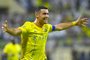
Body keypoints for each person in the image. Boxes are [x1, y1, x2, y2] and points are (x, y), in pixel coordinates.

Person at [2, 6, 88, 60]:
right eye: (44, 14)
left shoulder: (46, 27)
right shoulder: (28, 26)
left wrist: (74, 23)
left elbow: (59, 26)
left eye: (47, 14)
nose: (47, 16)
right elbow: (17, 31)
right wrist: (8, 30)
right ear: (37, 15)